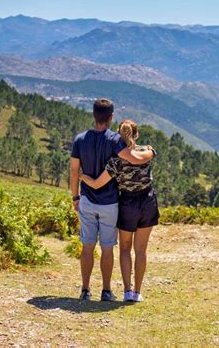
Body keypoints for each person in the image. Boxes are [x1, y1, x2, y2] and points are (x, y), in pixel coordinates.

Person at [70, 99, 155, 302]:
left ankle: (85, 289)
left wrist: (76, 195)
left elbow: (74, 170)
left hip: (87, 200)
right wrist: (151, 152)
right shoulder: (115, 140)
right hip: (110, 203)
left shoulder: (80, 140)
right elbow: (133, 158)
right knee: (108, 248)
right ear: (110, 117)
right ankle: (107, 291)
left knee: (87, 246)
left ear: (93, 115)